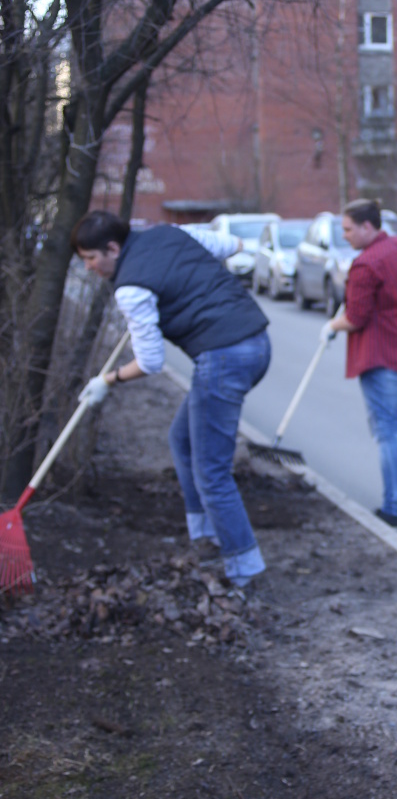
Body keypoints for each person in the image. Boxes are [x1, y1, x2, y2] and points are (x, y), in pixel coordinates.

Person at [71, 211, 272, 588]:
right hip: (256, 343)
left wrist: (108, 380)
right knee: (182, 441)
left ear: (112, 249)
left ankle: (245, 568)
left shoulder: (131, 288)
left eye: (91, 258)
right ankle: (205, 534)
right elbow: (230, 245)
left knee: (211, 472)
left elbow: (150, 363)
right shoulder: (170, 233)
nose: (88, 268)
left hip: (224, 357)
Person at [325, 198, 397, 528]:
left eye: (347, 229)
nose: (344, 236)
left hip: (380, 354)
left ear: (367, 227)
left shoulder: (365, 264)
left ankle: (395, 507)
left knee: (387, 430)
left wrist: (330, 326)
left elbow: (355, 318)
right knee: (396, 423)